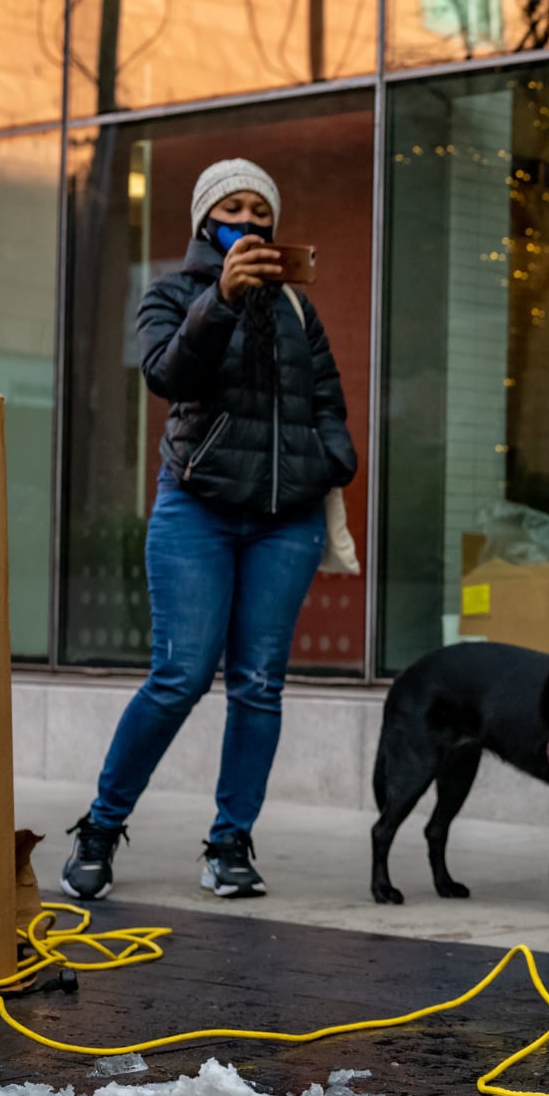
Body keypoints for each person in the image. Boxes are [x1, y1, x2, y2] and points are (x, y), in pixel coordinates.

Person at [60, 158, 357, 902]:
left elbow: (325, 395)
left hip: (283, 522)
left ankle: (230, 844)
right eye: (235, 207)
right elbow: (167, 375)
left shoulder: (296, 307)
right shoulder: (171, 292)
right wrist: (221, 298)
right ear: (206, 221)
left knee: (258, 684)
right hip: (197, 509)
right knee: (179, 678)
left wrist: (333, 458)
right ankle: (101, 825)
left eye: (263, 208)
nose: (252, 219)